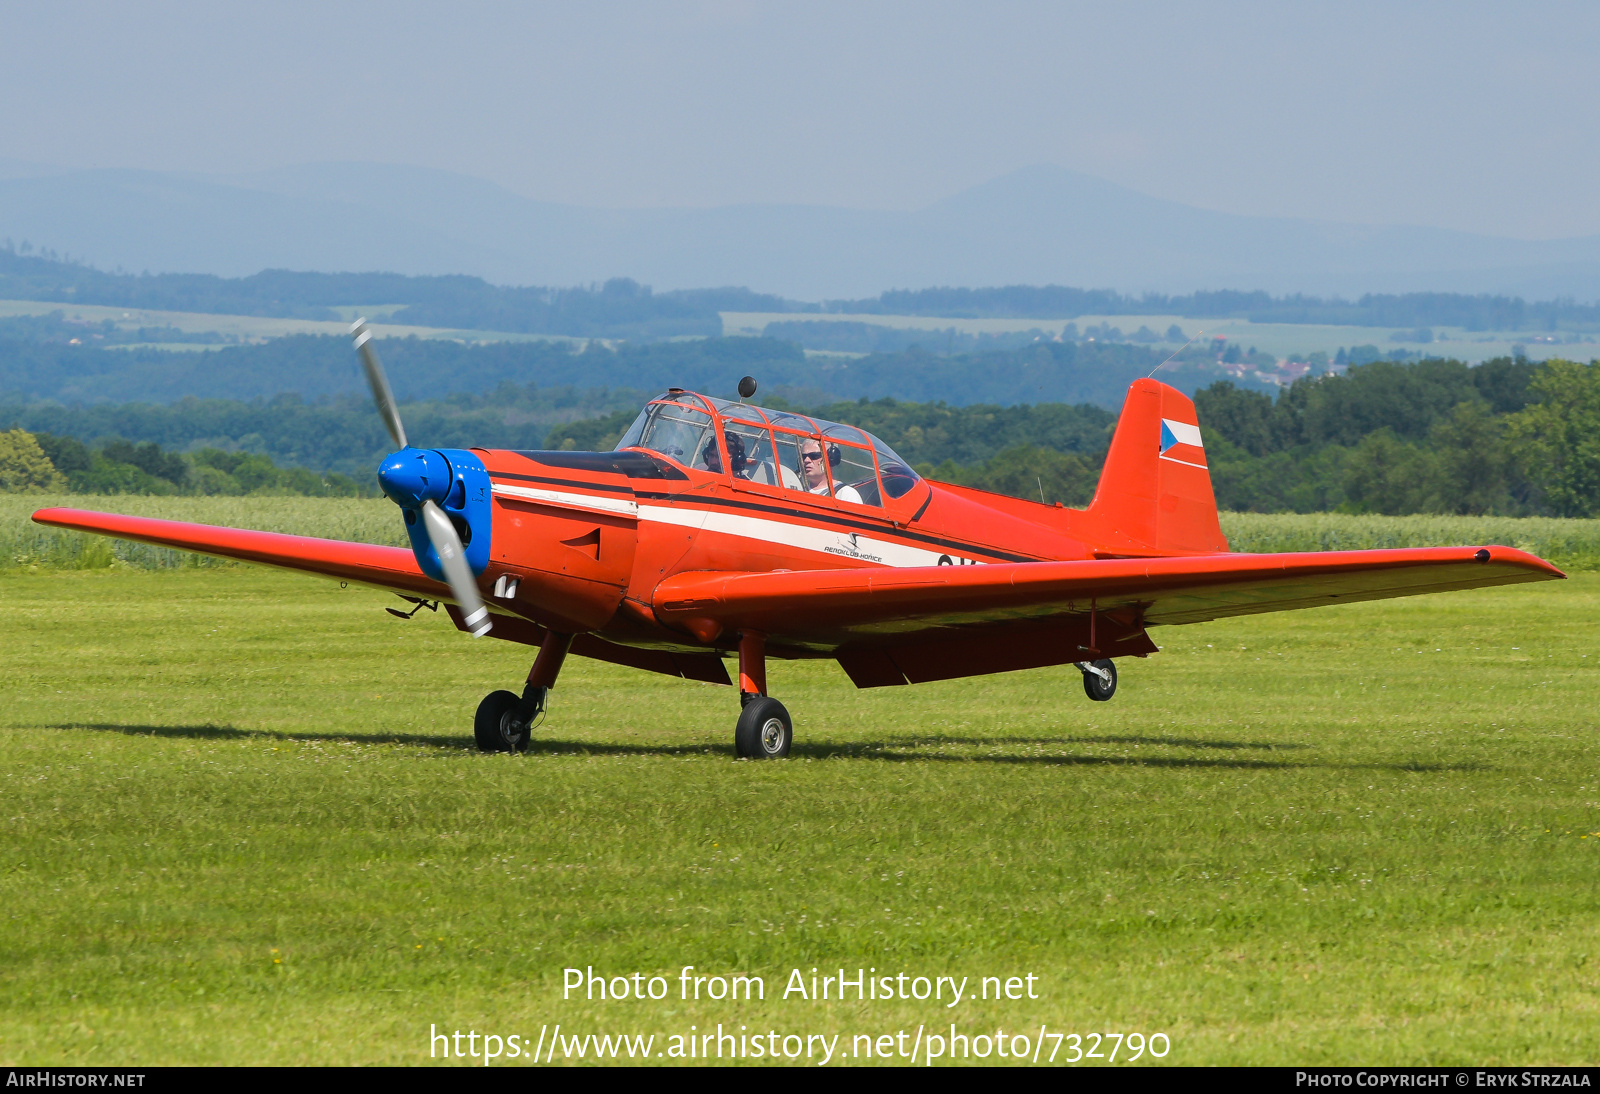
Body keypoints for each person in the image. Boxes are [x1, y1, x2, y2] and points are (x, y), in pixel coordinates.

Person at [799, 438, 862, 503]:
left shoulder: (846, 494)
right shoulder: (797, 490)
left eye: (814, 456)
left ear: (831, 458)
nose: (806, 460)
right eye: (803, 456)